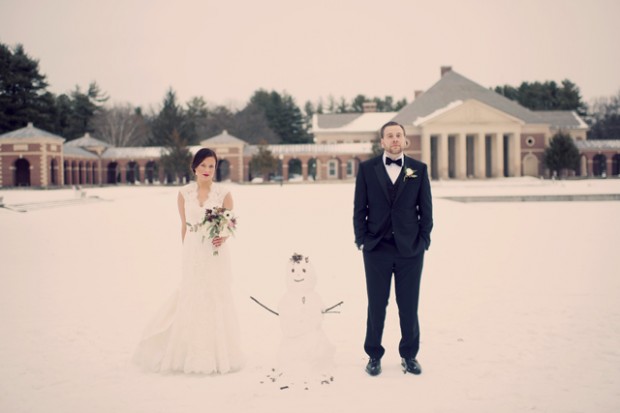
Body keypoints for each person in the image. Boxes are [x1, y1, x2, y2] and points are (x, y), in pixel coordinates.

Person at [133, 148, 244, 374]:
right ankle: (188, 351)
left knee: (214, 295)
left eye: (211, 166)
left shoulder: (224, 194)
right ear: (194, 167)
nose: (207, 170)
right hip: (193, 251)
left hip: (214, 254)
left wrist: (222, 237)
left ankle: (218, 354)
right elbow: (184, 225)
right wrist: (186, 252)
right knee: (192, 295)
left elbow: (229, 225)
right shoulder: (184, 193)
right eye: (202, 165)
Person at [353, 121, 433, 376]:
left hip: (410, 249)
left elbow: (426, 210)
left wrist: (423, 240)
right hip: (376, 249)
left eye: (399, 135)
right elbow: (359, 208)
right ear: (382, 141)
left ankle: (409, 355)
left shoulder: (418, 169)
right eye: (390, 135)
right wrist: (362, 239)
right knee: (376, 304)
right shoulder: (367, 169)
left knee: (408, 304)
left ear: (405, 139)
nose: (395, 139)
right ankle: (373, 355)